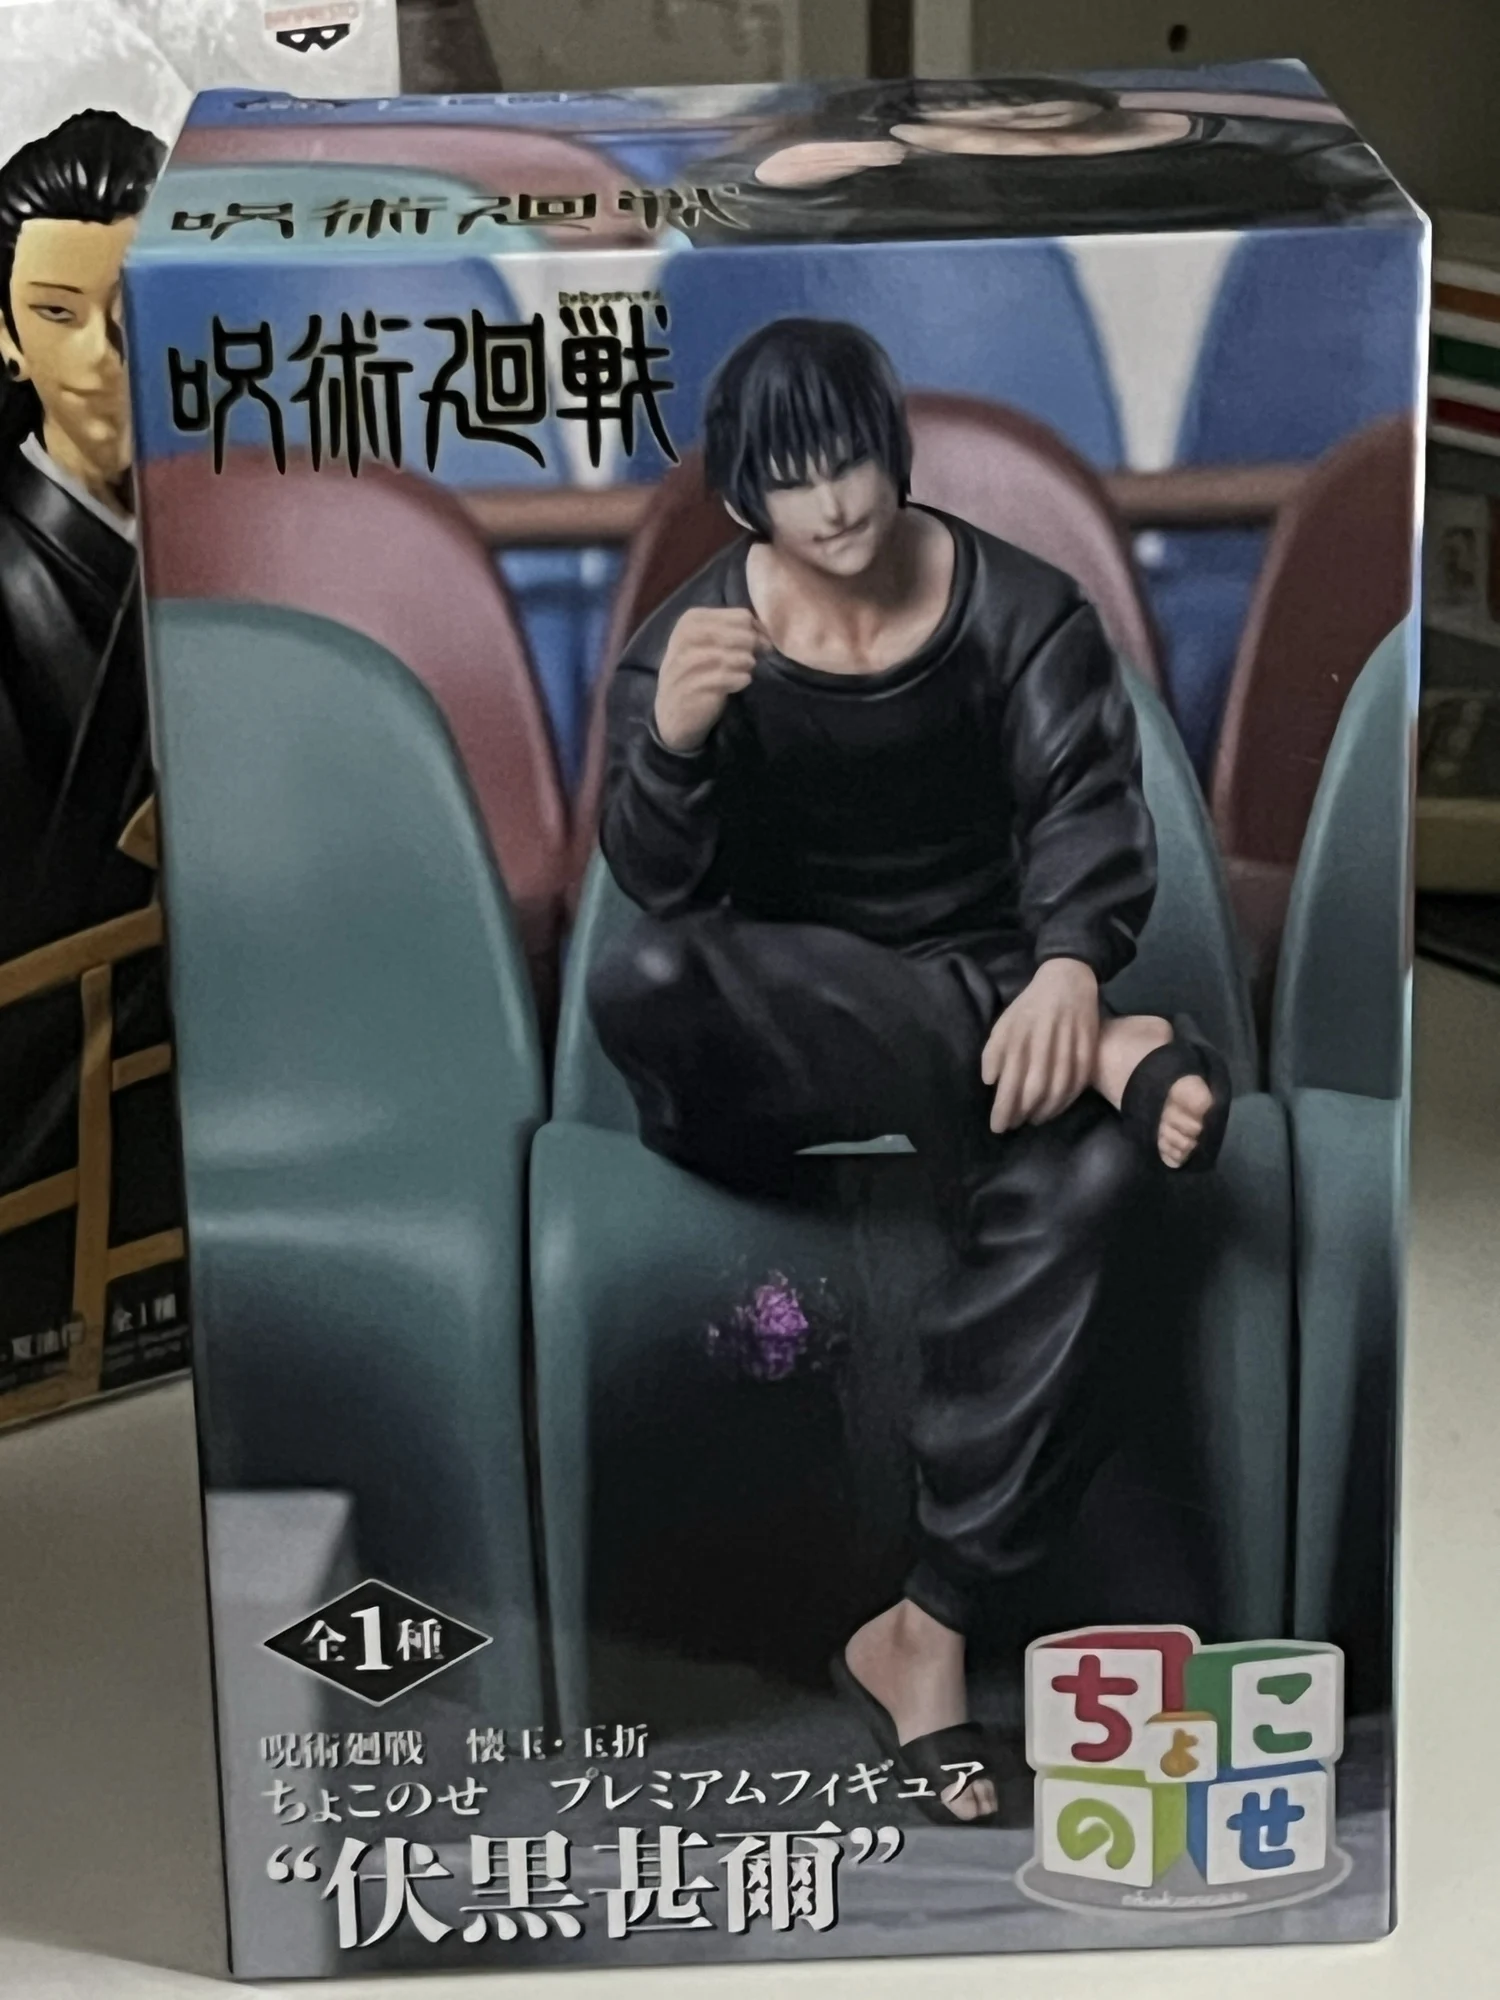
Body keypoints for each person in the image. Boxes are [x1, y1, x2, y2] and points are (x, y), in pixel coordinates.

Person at [588, 318, 1230, 1824]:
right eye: (794, 476)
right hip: (775, 1057)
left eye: (854, 461)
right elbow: (659, 893)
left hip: (1011, 1042)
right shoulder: (695, 641)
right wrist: (673, 742)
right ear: (743, 493)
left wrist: (1067, 968)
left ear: (897, 453)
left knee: (1105, 1171)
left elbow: (1084, 807)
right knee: (648, 979)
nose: (834, 503)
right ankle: (1104, 1057)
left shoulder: (1023, 611)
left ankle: (924, 1636)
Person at [0, 110, 175, 1375]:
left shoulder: (243, 512)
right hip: (51, 1084)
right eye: (58, 314)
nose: (105, 355)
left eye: (135, 305)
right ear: (3, 336)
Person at [691, 74, 1405, 242]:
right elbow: (705, 207)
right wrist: (776, 183)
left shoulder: (1254, 150)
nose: (1010, 120)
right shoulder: (855, 184)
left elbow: (1368, 195)